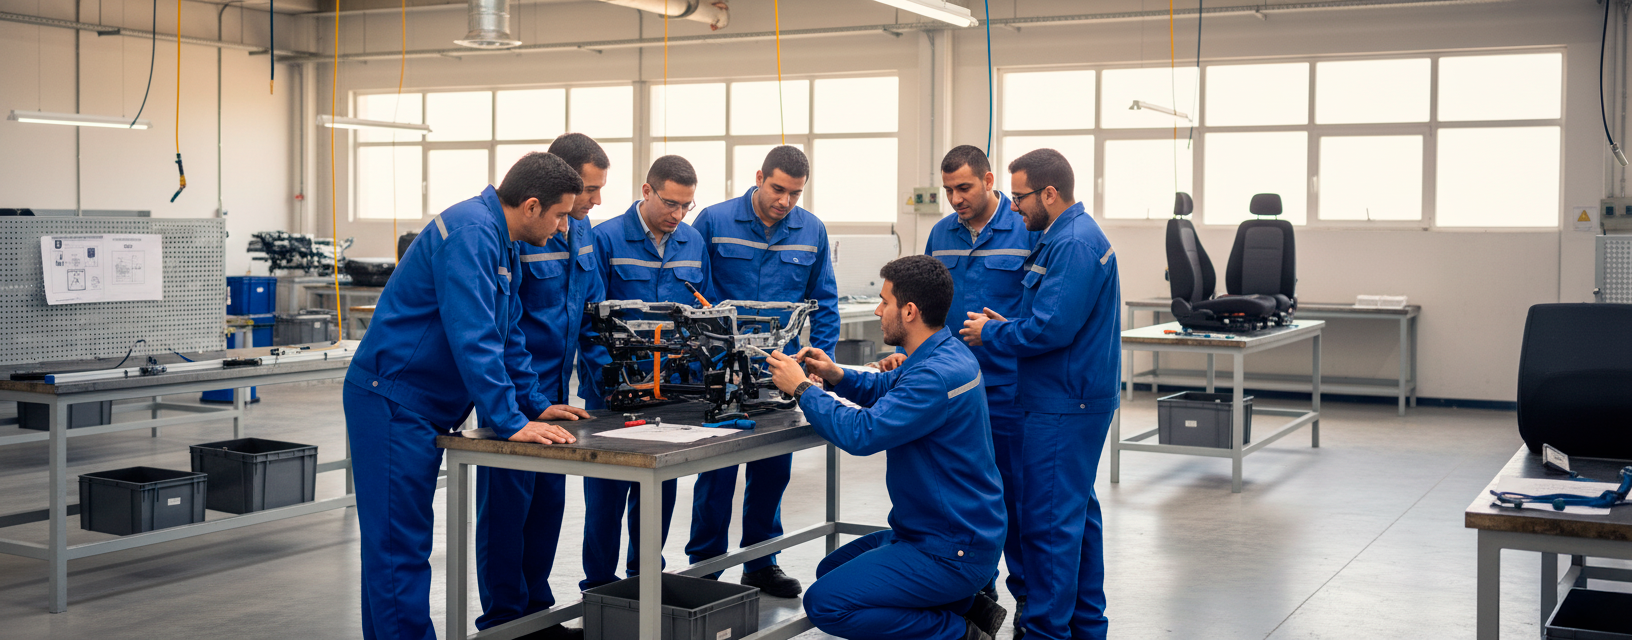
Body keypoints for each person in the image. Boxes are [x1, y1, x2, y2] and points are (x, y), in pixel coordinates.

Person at [343, 152, 584, 640]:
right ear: (533, 205)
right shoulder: (473, 233)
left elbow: (508, 331)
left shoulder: (500, 237)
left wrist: (532, 402)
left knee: (396, 547)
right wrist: (510, 421)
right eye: (561, 215)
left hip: (423, 404)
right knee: (399, 548)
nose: (563, 228)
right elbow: (473, 335)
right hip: (393, 401)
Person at [763, 255, 1008, 640]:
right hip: (940, 531)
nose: (877, 310)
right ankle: (965, 603)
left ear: (909, 311)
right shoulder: (944, 353)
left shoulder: (934, 374)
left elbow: (863, 433)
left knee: (826, 602)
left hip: (950, 547)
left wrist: (803, 388)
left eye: (884, 301)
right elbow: (888, 390)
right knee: (832, 572)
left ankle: (958, 631)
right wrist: (836, 375)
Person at [960, 148, 1121, 640]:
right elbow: (1052, 318)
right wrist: (1008, 324)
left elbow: (1052, 330)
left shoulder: (1071, 243)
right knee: (1076, 517)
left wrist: (992, 336)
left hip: (1063, 403)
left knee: (1049, 525)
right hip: (1069, 396)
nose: (1014, 207)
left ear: (1049, 194)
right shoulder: (1063, 238)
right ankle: (1086, 626)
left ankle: (1046, 632)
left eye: (1020, 196)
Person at [876, 145, 1037, 616]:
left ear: (989, 181)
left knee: (1012, 498)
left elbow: (1034, 314)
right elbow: (921, 305)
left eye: (964, 187)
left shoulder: (1025, 229)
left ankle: (1026, 597)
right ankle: (974, 595)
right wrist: (905, 358)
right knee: (956, 498)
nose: (955, 199)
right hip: (942, 391)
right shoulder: (941, 235)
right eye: (948, 190)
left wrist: (999, 335)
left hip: (1005, 391)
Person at [687, 145, 839, 597]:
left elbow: (824, 302)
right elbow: (694, 288)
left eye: (795, 193)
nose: (785, 201)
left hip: (781, 372)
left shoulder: (811, 230)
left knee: (773, 467)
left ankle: (760, 562)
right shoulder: (714, 221)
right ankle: (706, 568)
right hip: (720, 372)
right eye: (778, 189)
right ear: (758, 177)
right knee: (714, 472)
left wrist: (816, 363)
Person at [474, 134, 609, 639]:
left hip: (555, 394)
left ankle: (537, 612)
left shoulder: (581, 227)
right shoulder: (518, 231)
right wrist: (516, 406)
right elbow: (502, 328)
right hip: (511, 392)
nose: (595, 201)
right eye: (590, 190)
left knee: (548, 504)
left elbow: (591, 314)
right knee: (507, 510)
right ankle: (505, 620)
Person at [576, 155, 711, 591]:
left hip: (670, 391)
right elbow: (589, 320)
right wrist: (609, 379)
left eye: (686, 206)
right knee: (606, 494)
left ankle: (644, 581)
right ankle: (597, 588)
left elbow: (700, 314)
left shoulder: (692, 242)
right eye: (670, 203)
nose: (677, 215)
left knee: (658, 491)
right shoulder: (606, 239)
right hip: (613, 392)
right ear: (647, 190)